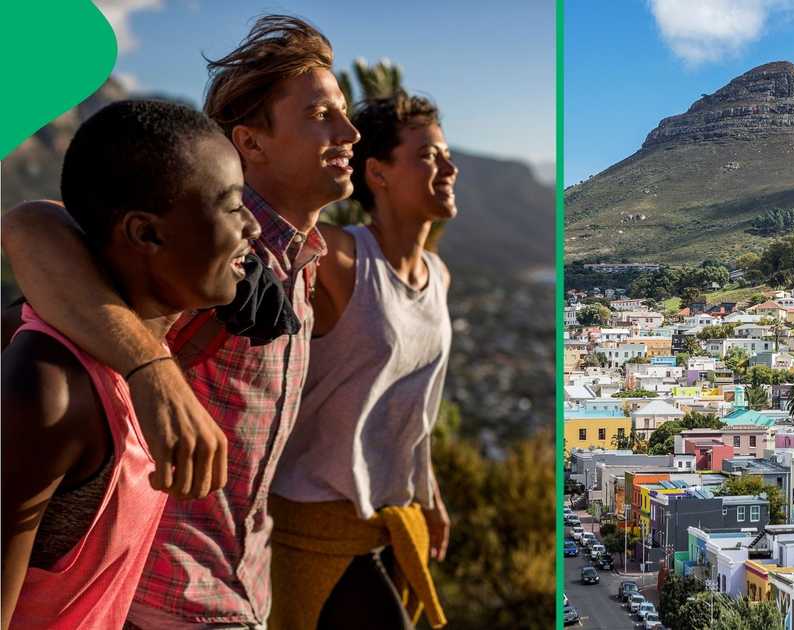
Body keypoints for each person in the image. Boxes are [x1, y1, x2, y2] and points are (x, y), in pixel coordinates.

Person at [1, 15, 360, 628]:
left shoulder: (295, 268)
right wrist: (154, 368)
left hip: (237, 590)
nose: (350, 131)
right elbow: (33, 228)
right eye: (319, 114)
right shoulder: (198, 263)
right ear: (252, 143)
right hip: (163, 601)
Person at [1, 100, 260, 629]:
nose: (252, 226)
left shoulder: (144, 350)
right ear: (145, 234)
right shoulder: (53, 388)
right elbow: (29, 220)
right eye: (232, 207)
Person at [267, 90, 457, 629]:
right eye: (427, 156)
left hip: (388, 523)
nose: (448, 167)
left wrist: (431, 496)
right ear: (377, 173)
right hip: (315, 526)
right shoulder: (335, 258)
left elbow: (411, 408)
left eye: (445, 154)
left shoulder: (439, 278)